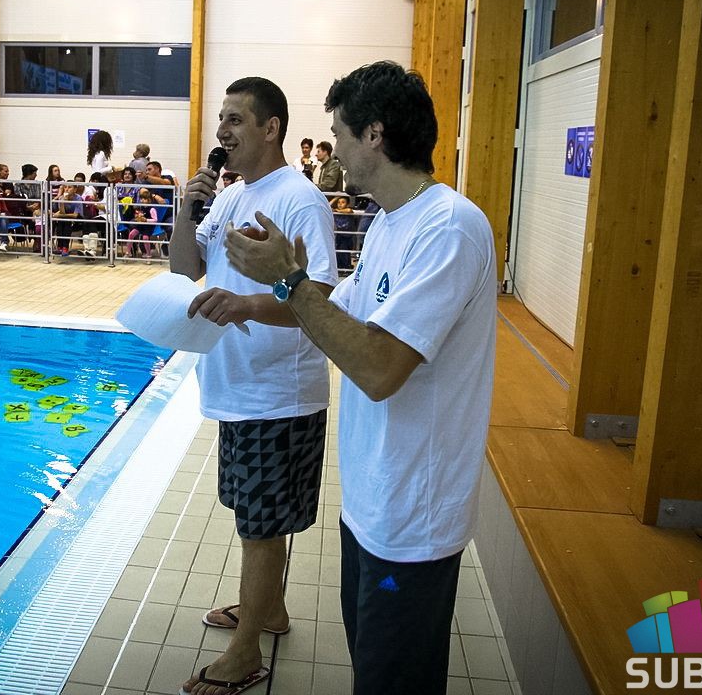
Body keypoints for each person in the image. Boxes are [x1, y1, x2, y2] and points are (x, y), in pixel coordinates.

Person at [222, 61, 497, 695]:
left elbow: (378, 369)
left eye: (339, 134)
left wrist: (288, 280)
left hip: (414, 516)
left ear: (374, 134)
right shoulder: (389, 223)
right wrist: (272, 290)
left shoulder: (449, 228)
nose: (333, 149)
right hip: (372, 503)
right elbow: (332, 316)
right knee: (370, 664)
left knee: (393, 677)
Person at [174, 77, 337, 695]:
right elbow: (184, 269)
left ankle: (245, 654)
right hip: (236, 385)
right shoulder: (227, 197)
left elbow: (318, 298)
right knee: (253, 515)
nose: (223, 130)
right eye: (222, 119)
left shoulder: (299, 200)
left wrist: (245, 305)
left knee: (261, 527)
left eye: (236, 119)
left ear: (272, 128)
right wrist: (187, 211)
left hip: (278, 391)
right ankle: (270, 611)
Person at [330, 194, 356, 272]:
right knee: (338, 252)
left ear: (347, 204)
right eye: (338, 202)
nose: (340, 204)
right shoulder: (335, 211)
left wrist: (337, 211)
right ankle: (340, 268)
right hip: (339, 235)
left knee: (344, 252)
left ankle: (346, 268)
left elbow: (349, 211)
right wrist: (336, 197)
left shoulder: (348, 211)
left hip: (348, 236)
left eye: (343, 202)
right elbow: (328, 206)